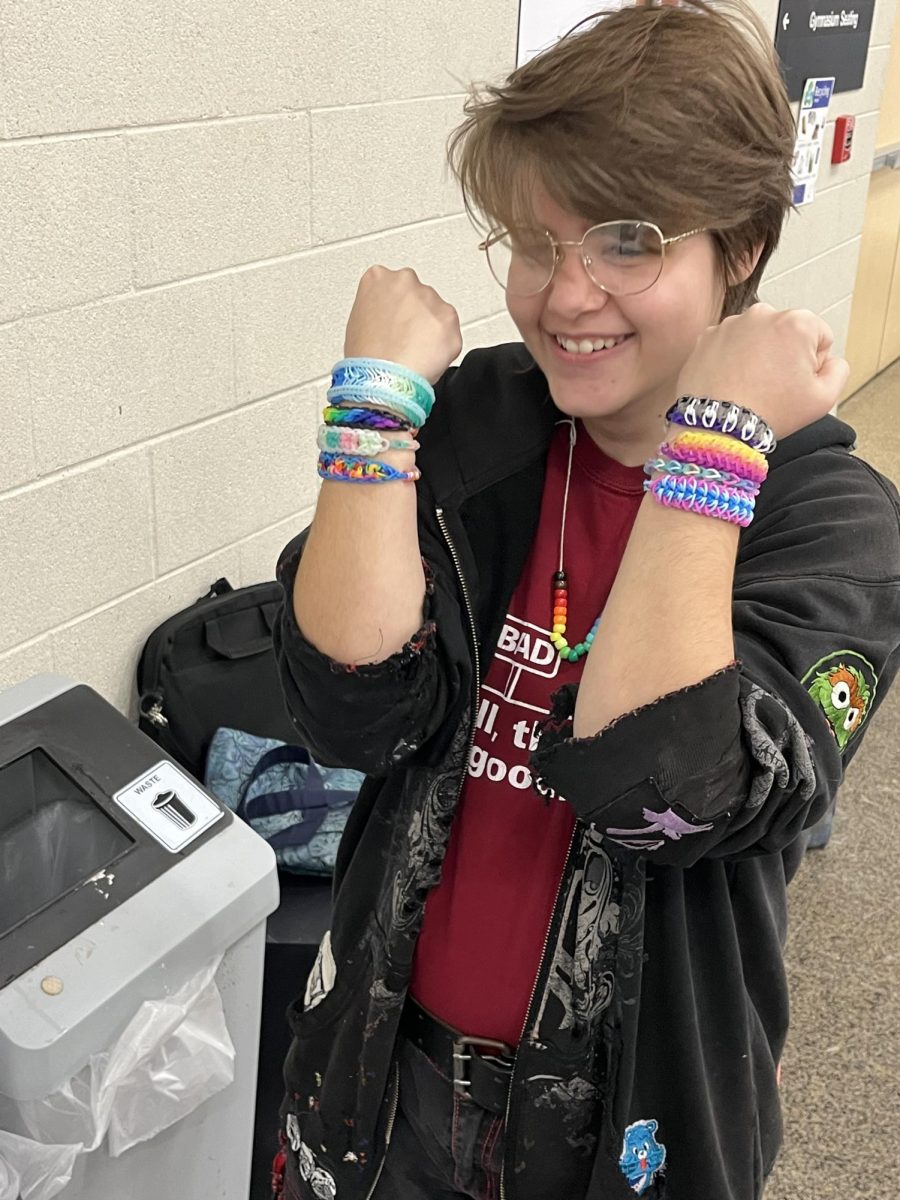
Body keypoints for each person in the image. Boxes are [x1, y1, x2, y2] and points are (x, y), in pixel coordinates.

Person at [271, 3, 900, 1198]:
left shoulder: (833, 525)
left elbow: (658, 797)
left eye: (627, 240)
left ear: (745, 245)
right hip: (380, 1078)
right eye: (531, 239)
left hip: (633, 1125)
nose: (565, 295)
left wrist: (711, 448)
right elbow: (346, 716)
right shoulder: (479, 430)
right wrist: (371, 411)